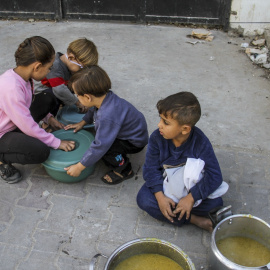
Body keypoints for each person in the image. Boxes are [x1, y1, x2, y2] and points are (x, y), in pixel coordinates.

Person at [136, 92, 228, 232]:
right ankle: (194, 220)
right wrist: (160, 198)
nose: (159, 125)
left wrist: (191, 198)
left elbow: (214, 176)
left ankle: (182, 210)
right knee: (144, 199)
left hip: (191, 191)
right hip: (167, 189)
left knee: (216, 203)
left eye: (166, 122)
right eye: (160, 119)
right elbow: (150, 169)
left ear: (185, 129)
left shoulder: (200, 142)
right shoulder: (156, 138)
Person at [0, 36, 75, 184]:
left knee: (49, 97)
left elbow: (29, 104)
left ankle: (41, 132)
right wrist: (56, 142)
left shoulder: (23, 77)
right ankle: (2, 159)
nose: (49, 71)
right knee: (41, 151)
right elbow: (27, 125)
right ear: (37, 66)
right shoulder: (11, 87)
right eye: (49, 67)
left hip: (14, 121)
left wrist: (49, 118)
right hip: (2, 133)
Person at [64, 66, 149, 185]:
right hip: (136, 132)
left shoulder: (106, 116)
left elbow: (100, 146)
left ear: (87, 97)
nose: (77, 97)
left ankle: (124, 170)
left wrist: (80, 166)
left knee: (106, 149)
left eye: (77, 95)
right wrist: (82, 123)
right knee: (102, 141)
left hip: (134, 142)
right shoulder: (105, 97)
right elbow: (93, 109)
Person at [33, 38, 98, 117]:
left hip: (59, 89)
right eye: (82, 67)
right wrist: (78, 102)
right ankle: (46, 121)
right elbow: (59, 90)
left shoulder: (70, 66)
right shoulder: (55, 65)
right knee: (53, 98)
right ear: (71, 57)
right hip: (42, 94)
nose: (82, 70)